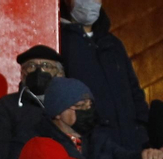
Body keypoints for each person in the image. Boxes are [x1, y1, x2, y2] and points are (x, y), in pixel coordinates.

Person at [57, 0, 146, 150]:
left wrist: (143, 132)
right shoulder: (61, 43)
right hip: (92, 149)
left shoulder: (113, 44)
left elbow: (134, 91)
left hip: (130, 144)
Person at [21, 77, 116, 159]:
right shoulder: (36, 141)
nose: (87, 110)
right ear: (58, 113)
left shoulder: (98, 136)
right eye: (80, 105)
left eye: (90, 105)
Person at [0, 46, 63, 159]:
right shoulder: (0, 109)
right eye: (31, 66)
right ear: (22, 74)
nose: (39, 71)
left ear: (59, 74)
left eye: (46, 66)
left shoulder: (71, 107)